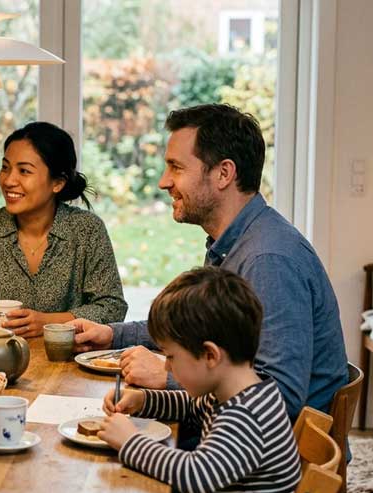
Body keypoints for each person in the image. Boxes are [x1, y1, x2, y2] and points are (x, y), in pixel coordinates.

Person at [72, 103, 348, 421]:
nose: (163, 182)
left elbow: (280, 398)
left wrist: (168, 376)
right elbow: (192, 330)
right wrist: (112, 335)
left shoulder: (268, 261)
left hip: (262, 449)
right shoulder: (232, 243)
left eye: (176, 167)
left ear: (223, 173)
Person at [98, 267, 301, 493]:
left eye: (171, 357)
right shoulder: (236, 393)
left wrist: (130, 442)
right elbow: (189, 406)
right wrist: (143, 400)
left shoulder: (245, 416)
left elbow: (195, 476)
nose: (166, 367)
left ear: (210, 355)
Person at [0, 122, 127, 338]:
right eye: (5, 168)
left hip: (66, 357)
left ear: (57, 183)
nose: (8, 180)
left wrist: (49, 322)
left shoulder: (86, 229)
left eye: (24, 171)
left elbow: (112, 306)